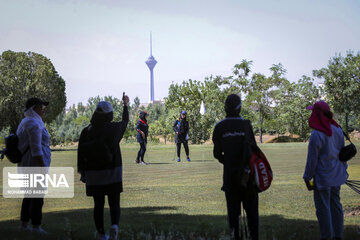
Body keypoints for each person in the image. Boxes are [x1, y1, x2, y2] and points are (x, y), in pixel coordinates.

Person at [78, 93, 129, 240]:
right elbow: (125, 122)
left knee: (98, 205)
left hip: (94, 175)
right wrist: (125, 105)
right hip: (113, 172)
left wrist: (82, 172)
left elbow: (81, 153)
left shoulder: (86, 131)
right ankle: (114, 225)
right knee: (114, 203)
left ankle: (101, 233)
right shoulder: (114, 129)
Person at [212, 94, 259, 240]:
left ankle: (235, 237)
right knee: (252, 215)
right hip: (248, 176)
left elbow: (217, 154)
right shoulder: (246, 125)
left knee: (233, 215)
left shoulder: (220, 127)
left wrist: (229, 162)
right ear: (240, 108)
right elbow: (253, 149)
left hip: (230, 178)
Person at [303, 100, 348, 240]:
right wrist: (343, 170)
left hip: (323, 177)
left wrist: (307, 177)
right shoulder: (338, 129)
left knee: (323, 209)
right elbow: (343, 154)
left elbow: (312, 160)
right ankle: (338, 235)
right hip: (336, 174)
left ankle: (327, 236)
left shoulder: (317, 134)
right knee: (336, 206)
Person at [17, 97, 51, 235]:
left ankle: (24, 225)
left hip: (29, 163)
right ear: (33, 108)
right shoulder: (33, 123)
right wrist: (43, 168)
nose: (44, 108)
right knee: (37, 196)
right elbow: (36, 149)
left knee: (29, 195)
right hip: (34, 164)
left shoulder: (30, 121)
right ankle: (36, 226)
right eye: (41, 106)